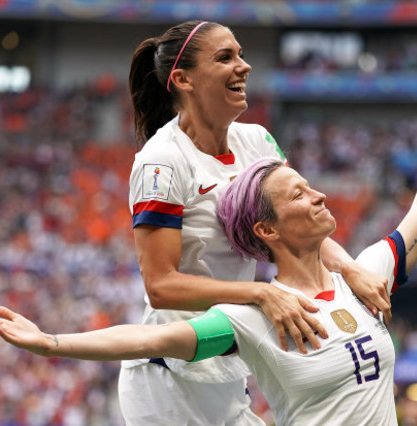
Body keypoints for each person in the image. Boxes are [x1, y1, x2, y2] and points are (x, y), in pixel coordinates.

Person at [0, 48, 417, 426]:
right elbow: (153, 335)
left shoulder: (364, 277)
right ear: (265, 229)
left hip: (227, 385)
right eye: (300, 194)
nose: (321, 196)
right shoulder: (253, 315)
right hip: (172, 391)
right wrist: (51, 344)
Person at [122, 19, 392, 425]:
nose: (244, 66)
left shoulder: (258, 141)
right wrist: (259, 294)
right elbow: (161, 286)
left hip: (225, 367)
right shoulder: (161, 162)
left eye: (241, 54)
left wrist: (349, 268)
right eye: (225, 57)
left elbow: (303, 221)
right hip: (168, 381)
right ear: (182, 79)